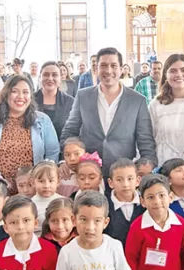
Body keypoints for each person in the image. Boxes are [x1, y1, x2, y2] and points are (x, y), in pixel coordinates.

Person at [61, 47, 157, 175]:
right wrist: (64, 160)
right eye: (103, 65)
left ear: (121, 69)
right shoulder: (83, 96)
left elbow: (145, 140)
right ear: (97, 68)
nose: (108, 70)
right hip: (89, 175)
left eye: (113, 65)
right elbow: (70, 131)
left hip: (123, 175)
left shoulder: (137, 100)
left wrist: (148, 162)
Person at [0, 75, 60, 184]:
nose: (20, 96)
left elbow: (52, 154)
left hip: (31, 192)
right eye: (14, 91)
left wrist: (44, 182)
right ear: (6, 94)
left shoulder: (42, 120)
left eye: (25, 92)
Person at [35, 62, 75, 135]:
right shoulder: (30, 100)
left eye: (54, 75)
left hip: (63, 144)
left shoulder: (70, 102)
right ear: (40, 77)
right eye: (46, 75)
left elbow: (74, 130)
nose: (50, 78)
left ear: (60, 79)